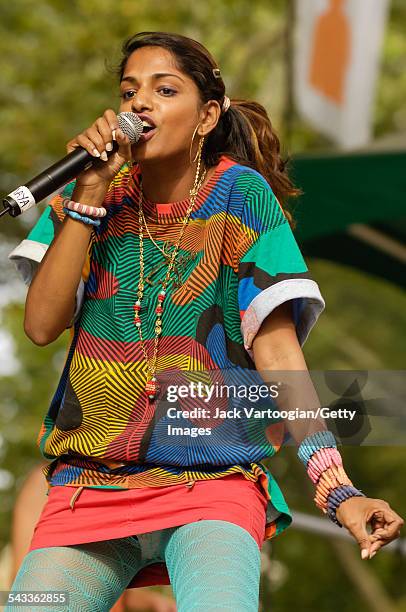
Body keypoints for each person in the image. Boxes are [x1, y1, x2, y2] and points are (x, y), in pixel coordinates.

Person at [8, 31, 403, 611]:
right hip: (87, 487)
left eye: (164, 90)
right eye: (129, 91)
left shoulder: (241, 197)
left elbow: (278, 356)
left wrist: (337, 489)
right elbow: (42, 325)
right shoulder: (91, 189)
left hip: (211, 487)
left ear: (206, 114)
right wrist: (87, 195)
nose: (139, 104)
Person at [9, 464, 176, 611]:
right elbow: (26, 594)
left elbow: (107, 585)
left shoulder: (150, 478)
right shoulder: (48, 482)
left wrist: (152, 602)